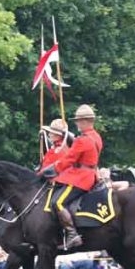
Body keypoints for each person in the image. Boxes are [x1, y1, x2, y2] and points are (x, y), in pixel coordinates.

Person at [40, 104, 103, 249]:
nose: (77, 124)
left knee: (58, 202)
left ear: (85, 121)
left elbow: (68, 159)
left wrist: (51, 170)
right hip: (90, 174)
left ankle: (72, 234)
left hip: (81, 177)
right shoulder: (96, 137)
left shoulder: (83, 140)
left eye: (78, 121)